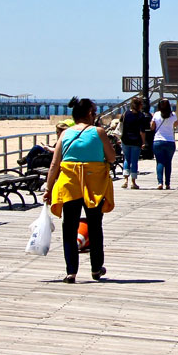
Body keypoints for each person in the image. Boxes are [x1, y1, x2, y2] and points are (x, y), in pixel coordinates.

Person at [43, 97, 117, 283]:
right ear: (90, 114)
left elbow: (54, 164)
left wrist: (48, 188)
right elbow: (112, 157)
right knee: (94, 227)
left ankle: (71, 272)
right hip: (94, 187)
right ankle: (95, 269)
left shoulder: (65, 134)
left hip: (69, 185)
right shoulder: (98, 132)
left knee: (69, 228)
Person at [120, 96, 149, 189]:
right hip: (136, 141)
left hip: (125, 139)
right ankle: (133, 182)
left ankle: (125, 181)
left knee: (126, 159)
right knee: (134, 161)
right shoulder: (141, 116)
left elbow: (121, 125)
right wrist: (143, 142)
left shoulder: (125, 114)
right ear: (140, 105)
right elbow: (142, 131)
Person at [151, 99, 178, 190]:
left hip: (158, 141)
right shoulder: (173, 115)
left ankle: (160, 183)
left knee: (160, 162)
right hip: (170, 141)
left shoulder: (156, 114)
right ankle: (168, 183)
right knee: (168, 163)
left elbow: (152, 127)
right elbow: (175, 125)